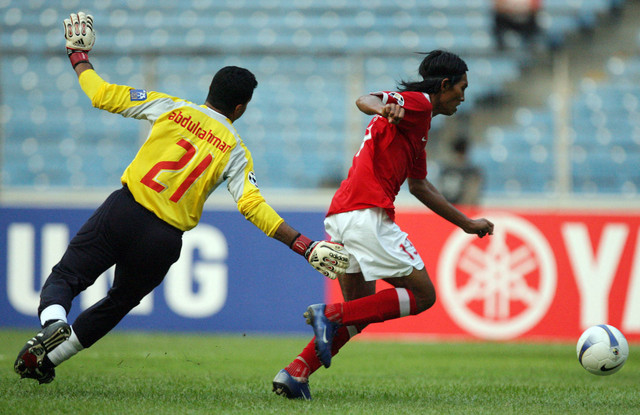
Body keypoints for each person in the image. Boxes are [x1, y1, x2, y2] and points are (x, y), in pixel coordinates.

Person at [14, 12, 349, 385]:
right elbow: (252, 206)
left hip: (126, 209)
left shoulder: (172, 107)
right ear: (240, 109)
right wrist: (303, 245)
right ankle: (49, 359)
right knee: (118, 302)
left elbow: (102, 95)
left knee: (68, 275)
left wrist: (79, 57)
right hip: (164, 239)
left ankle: (54, 322)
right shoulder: (235, 150)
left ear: (210, 91)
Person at [272, 50, 494, 400]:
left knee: (357, 314)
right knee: (423, 295)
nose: (463, 97)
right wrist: (383, 107)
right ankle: (327, 314)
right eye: (461, 88)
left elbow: (420, 186)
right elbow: (366, 98)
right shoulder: (418, 104)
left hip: (343, 215)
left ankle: (296, 373)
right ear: (446, 84)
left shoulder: (418, 126)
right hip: (367, 214)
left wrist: (466, 223)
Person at [438, 135, 484, 205]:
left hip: (447, 209)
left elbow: (439, 192)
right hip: (460, 210)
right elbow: (472, 194)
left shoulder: (445, 169)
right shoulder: (472, 170)